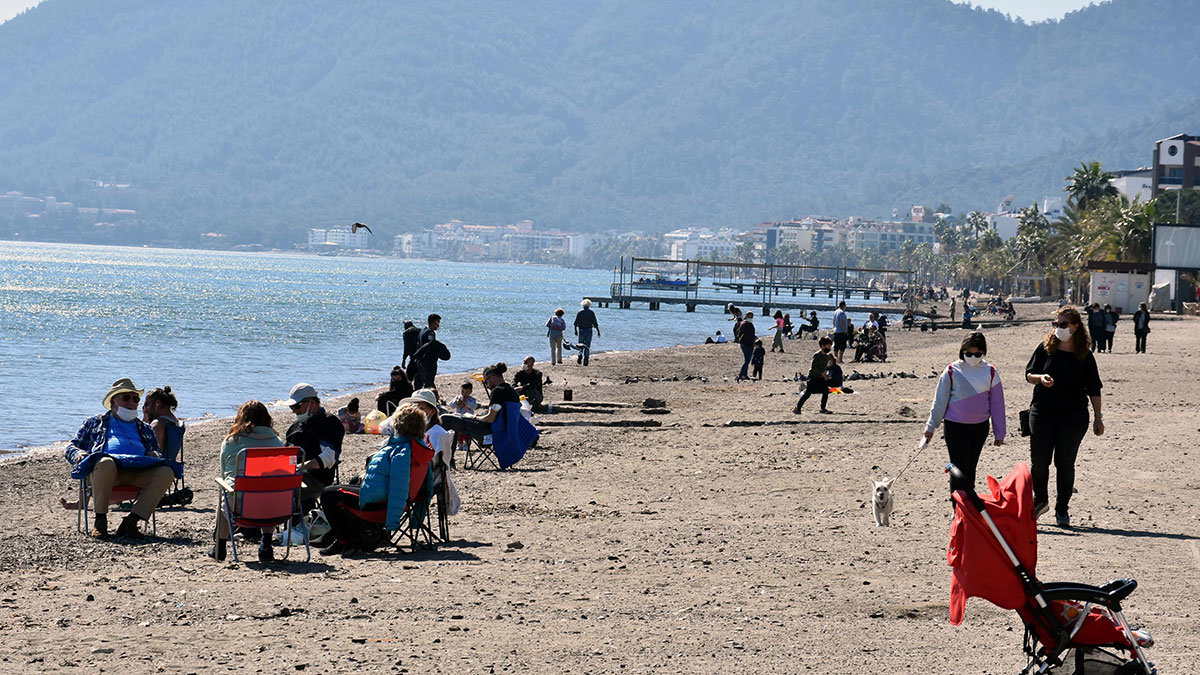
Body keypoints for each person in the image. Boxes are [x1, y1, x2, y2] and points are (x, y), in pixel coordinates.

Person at [64, 378, 177, 539]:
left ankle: (131, 522)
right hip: (103, 473)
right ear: (113, 401)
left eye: (135, 398)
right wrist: (80, 455)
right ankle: (100, 522)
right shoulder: (95, 423)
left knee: (166, 471)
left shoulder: (145, 428)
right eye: (126, 398)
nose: (132, 402)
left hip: (136, 472)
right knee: (105, 462)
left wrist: (154, 454)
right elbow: (71, 447)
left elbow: (154, 451)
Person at [1024, 306, 1104, 529]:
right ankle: (1040, 501)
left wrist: (1098, 417)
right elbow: (1029, 374)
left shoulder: (1085, 355)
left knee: (1065, 463)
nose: (1058, 328)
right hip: (1042, 412)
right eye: (1056, 324)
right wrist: (1040, 378)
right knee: (1039, 462)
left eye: (1063, 325)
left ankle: (1062, 509)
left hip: (1073, 417)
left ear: (1075, 327)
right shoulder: (1045, 348)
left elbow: (1094, 389)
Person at [319, 404, 430, 557]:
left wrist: (391, 523)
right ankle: (341, 537)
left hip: (378, 505)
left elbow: (399, 488)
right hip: (381, 496)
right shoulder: (419, 448)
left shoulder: (402, 452)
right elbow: (427, 487)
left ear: (399, 425)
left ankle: (347, 540)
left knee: (328, 494)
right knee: (346, 484)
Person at [923, 332, 1006, 495]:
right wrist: (931, 426)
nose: (973, 357)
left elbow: (997, 404)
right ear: (962, 351)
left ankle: (968, 504)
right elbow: (940, 401)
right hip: (955, 427)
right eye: (969, 354)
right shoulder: (951, 371)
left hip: (979, 428)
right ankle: (958, 506)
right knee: (957, 467)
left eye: (977, 354)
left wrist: (1000, 432)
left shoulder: (991, 372)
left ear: (983, 352)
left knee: (970, 467)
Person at [212, 400, 284, 562]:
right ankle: (266, 544)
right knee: (268, 490)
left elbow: (225, 474)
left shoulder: (231, 442)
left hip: (241, 505)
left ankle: (220, 546)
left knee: (224, 488)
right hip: (278, 506)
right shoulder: (278, 443)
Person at [284, 382, 344, 526]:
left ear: (312, 402)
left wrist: (301, 467)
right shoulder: (295, 427)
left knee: (282, 485)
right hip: (291, 473)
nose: (294, 411)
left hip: (316, 478)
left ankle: (292, 525)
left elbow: (329, 457)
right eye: (291, 407)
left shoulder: (330, 423)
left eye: (297, 406)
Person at [441, 362, 521, 442]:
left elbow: (490, 418)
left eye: (486, 381)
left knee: (445, 418)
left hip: (489, 430)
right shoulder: (512, 391)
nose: (487, 385)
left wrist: (475, 417)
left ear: (492, 377)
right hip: (504, 429)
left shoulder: (497, 391)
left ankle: (446, 453)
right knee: (456, 415)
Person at [793, 337, 834, 415]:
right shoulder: (817, 355)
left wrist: (825, 374)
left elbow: (823, 367)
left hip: (821, 378)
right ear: (822, 346)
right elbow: (814, 367)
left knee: (826, 391)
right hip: (813, 377)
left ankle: (823, 408)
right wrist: (822, 373)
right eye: (828, 347)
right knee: (807, 394)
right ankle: (798, 408)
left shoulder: (826, 356)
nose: (829, 348)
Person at [449, 381, 477, 466]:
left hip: (468, 418)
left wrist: (466, 403)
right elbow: (451, 405)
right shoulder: (458, 398)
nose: (464, 394)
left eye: (467, 392)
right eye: (463, 392)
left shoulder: (471, 400)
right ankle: (460, 443)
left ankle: (467, 444)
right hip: (459, 417)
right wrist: (457, 402)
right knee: (459, 432)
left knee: (467, 432)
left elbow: (474, 406)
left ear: (470, 392)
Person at [573, 299, 600, 365]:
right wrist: (598, 331)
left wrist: (575, 330)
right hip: (589, 330)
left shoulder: (580, 312)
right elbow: (595, 323)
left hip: (581, 329)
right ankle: (585, 361)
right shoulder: (591, 312)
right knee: (587, 346)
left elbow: (575, 323)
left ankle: (580, 355)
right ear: (589, 305)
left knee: (580, 345)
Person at [736, 311, 756, 381]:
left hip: (748, 344)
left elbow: (751, 334)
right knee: (747, 360)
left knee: (747, 360)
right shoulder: (744, 324)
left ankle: (744, 374)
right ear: (747, 316)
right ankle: (742, 374)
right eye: (749, 316)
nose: (751, 318)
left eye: (752, 317)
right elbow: (745, 335)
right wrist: (751, 342)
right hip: (746, 344)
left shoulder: (748, 324)